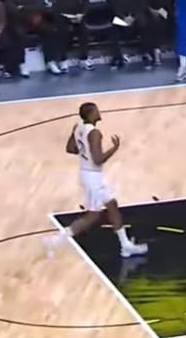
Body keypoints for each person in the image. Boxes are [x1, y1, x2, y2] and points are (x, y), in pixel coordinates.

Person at [46, 102, 148, 258]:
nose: (99, 112)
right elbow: (98, 159)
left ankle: (126, 245)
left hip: (90, 175)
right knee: (92, 216)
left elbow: (70, 148)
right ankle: (56, 241)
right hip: (92, 177)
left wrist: (83, 149)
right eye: (96, 111)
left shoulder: (78, 127)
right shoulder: (95, 133)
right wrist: (114, 148)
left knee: (112, 204)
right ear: (90, 114)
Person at [47, 0, 90, 74]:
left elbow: (86, 4)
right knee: (62, 34)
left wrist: (81, 14)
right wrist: (67, 17)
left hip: (78, 19)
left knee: (84, 32)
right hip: (63, 20)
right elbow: (54, 9)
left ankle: (83, 59)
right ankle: (63, 61)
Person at [109, 0, 146, 69]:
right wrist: (124, 18)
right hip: (121, 18)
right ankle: (117, 57)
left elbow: (142, 6)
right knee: (113, 28)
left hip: (135, 17)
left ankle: (145, 53)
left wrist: (133, 18)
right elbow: (114, 7)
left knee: (145, 24)